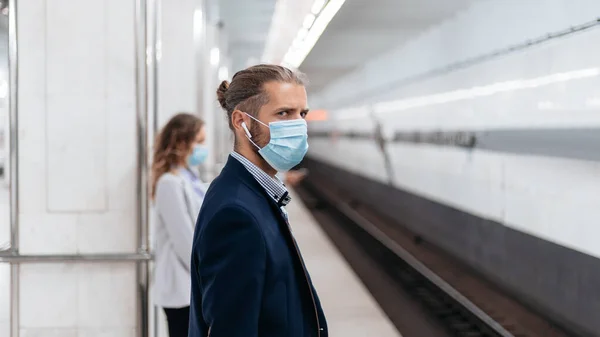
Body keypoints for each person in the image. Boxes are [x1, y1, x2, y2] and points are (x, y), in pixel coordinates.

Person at [189, 64, 328, 337]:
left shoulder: (252, 194)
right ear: (241, 122)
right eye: (283, 113)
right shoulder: (236, 213)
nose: (298, 124)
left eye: (302, 114)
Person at [150, 113, 208, 337]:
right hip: (181, 289)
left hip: (192, 286)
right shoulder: (169, 183)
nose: (204, 148)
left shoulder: (188, 178)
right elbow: (184, 241)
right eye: (199, 141)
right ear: (182, 143)